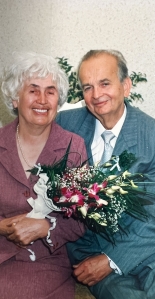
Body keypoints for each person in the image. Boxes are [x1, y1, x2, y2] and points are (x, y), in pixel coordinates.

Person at [56, 49, 155, 299]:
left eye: (105, 83)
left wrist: (111, 260)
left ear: (126, 86)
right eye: (87, 87)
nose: (96, 95)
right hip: (91, 249)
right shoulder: (66, 124)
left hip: (150, 248)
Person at [0, 52, 87, 299]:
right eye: (33, 90)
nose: (42, 99)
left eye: (50, 91)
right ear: (15, 98)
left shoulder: (73, 147)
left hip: (45, 262)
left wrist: (46, 226)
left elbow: (81, 220)